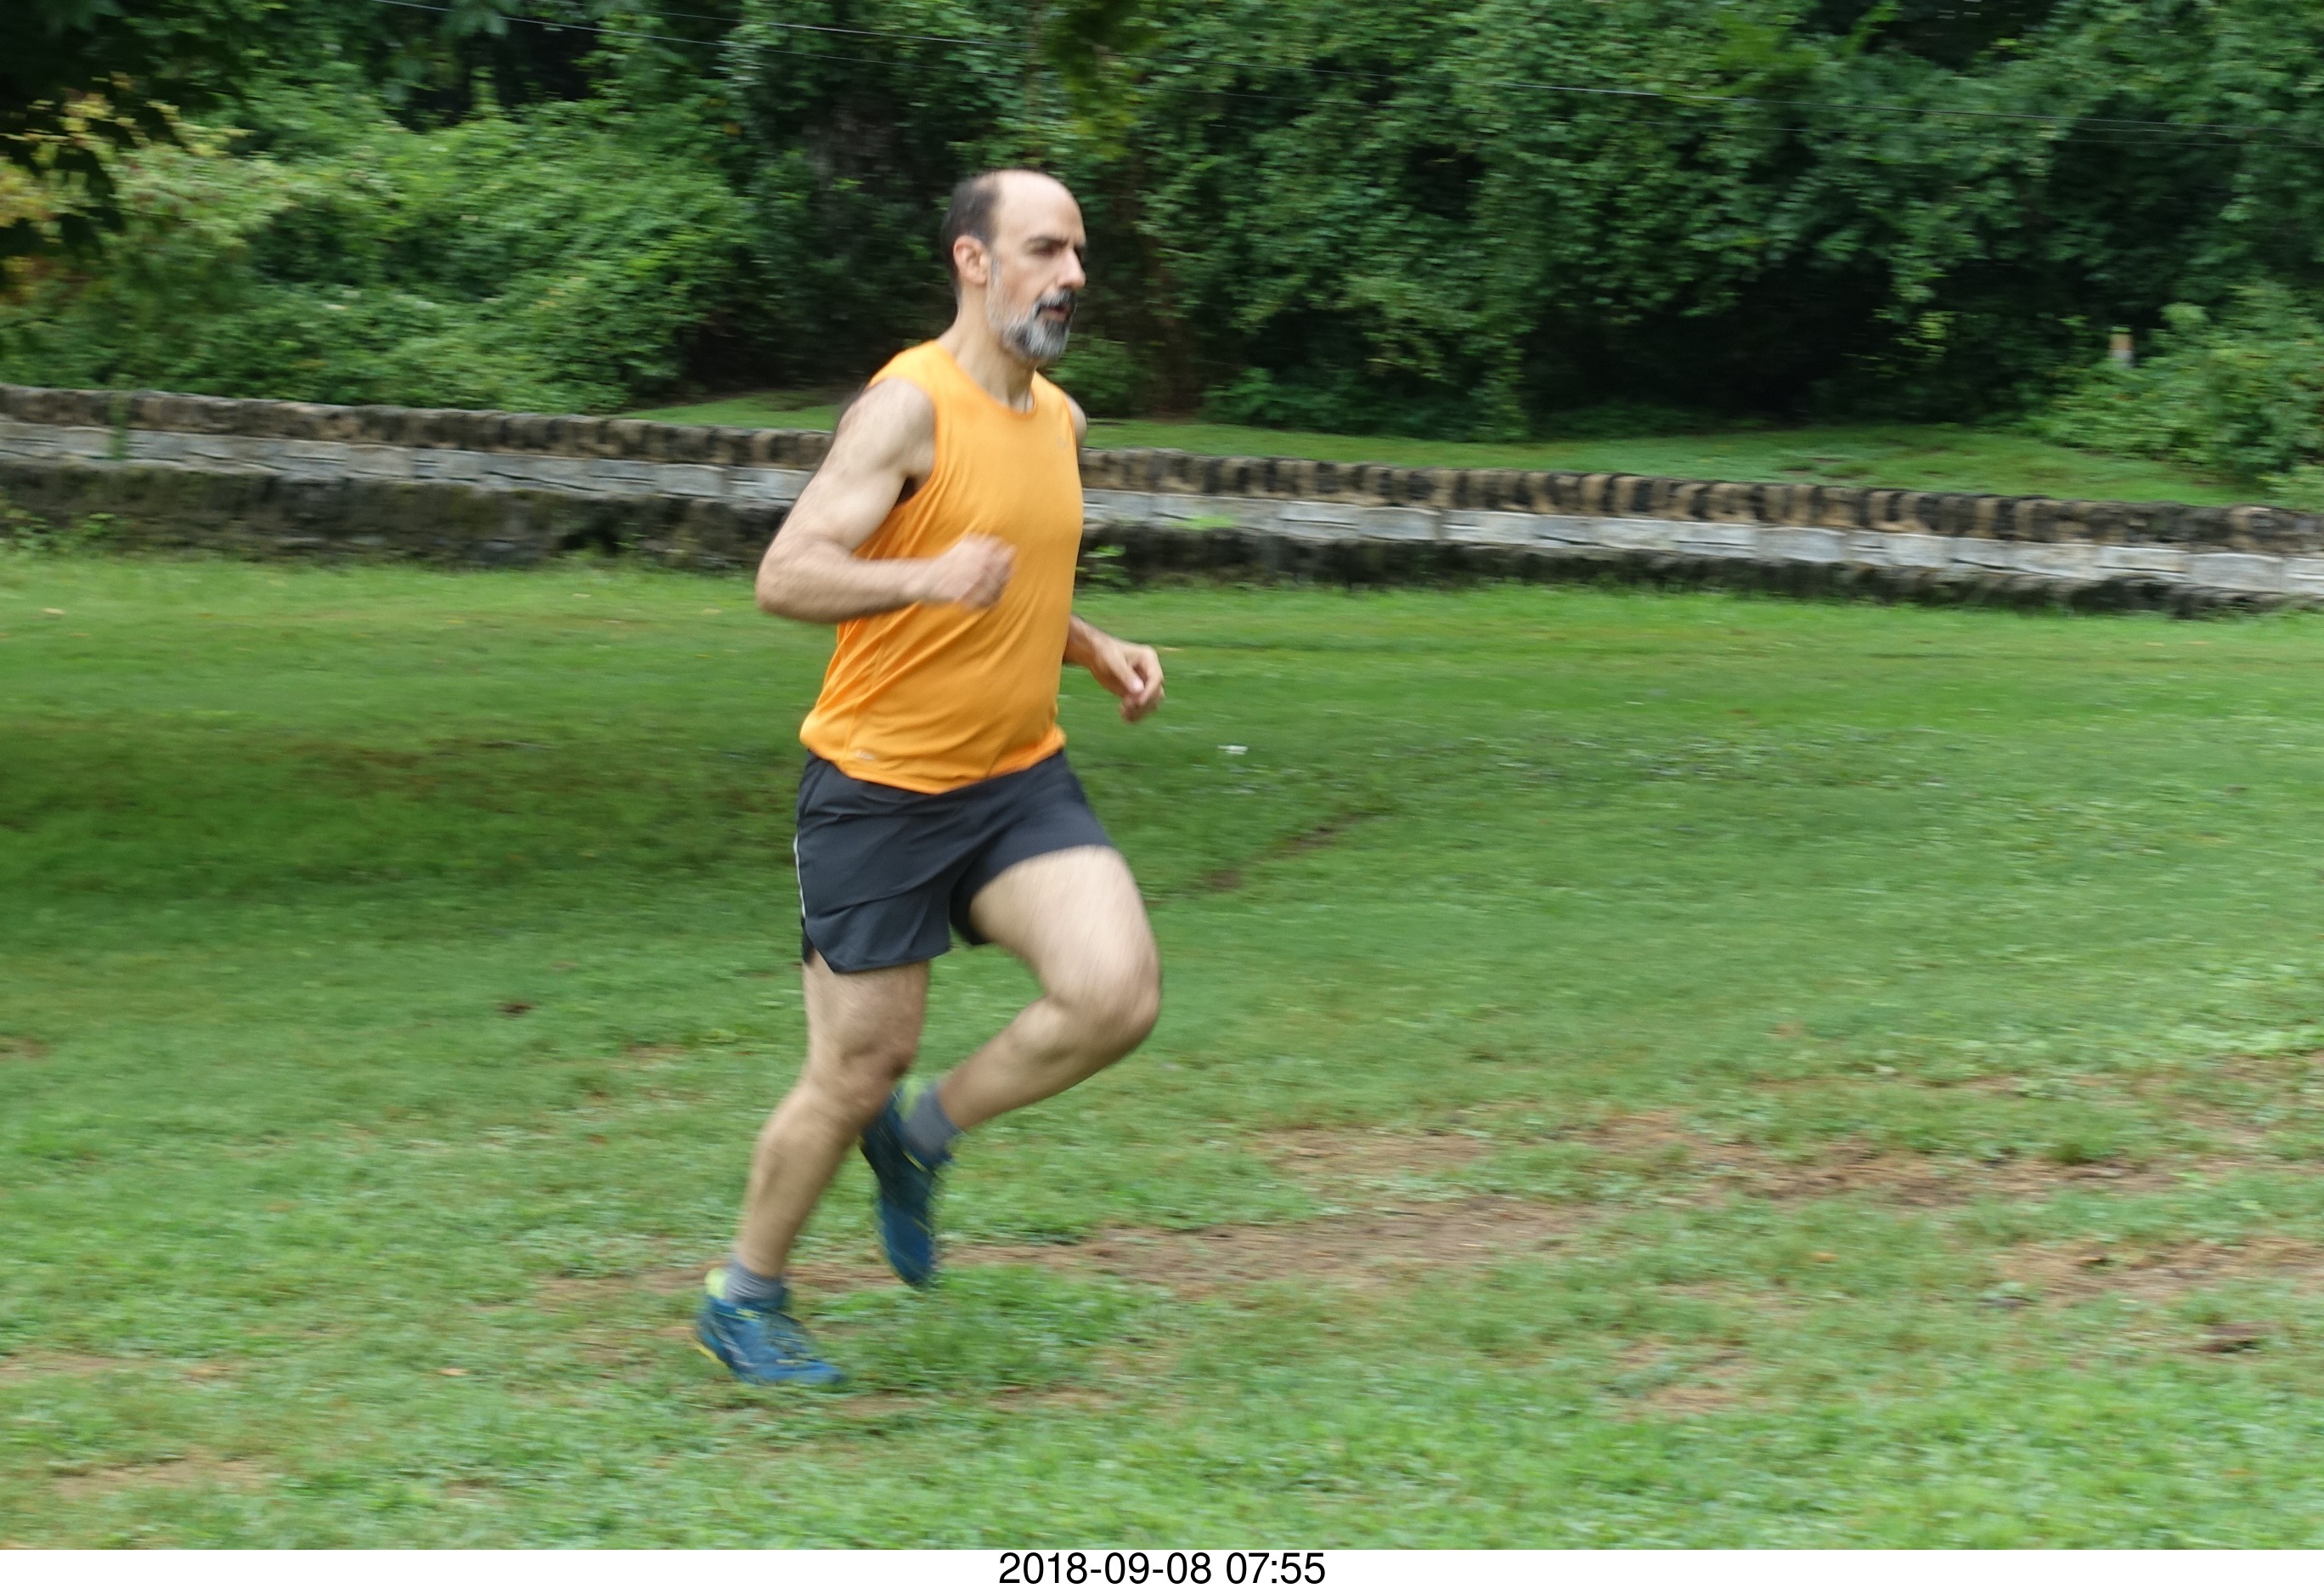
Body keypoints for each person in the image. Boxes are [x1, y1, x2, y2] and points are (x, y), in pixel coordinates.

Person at [696, 169, 1168, 1385]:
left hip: (1015, 778)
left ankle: (924, 1140)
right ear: (974, 260)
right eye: (1045, 250)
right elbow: (787, 573)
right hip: (878, 789)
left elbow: (1011, 579)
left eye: (1078, 253)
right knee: (859, 1065)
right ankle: (745, 1296)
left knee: (1115, 993)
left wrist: (1089, 644)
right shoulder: (907, 408)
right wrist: (922, 578)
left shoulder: (1058, 420)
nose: (1072, 276)